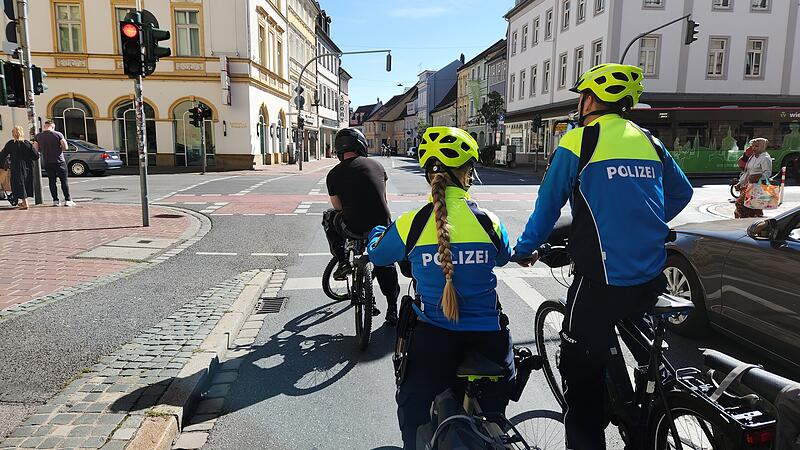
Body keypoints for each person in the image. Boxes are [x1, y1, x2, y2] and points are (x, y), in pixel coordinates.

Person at [512, 63, 693, 449]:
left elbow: (548, 207)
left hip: (600, 283)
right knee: (642, 346)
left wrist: (525, 250)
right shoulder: (649, 140)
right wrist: (643, 221)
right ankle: (652, 408)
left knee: (580, 381)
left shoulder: (580, 141)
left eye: (582, 96)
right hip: (650, 273)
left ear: (591, 99)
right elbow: (682, 193)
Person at [367, 126, 515, 450]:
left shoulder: (413, 223)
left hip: (433, 340)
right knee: (493, 420)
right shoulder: (490, 221)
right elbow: (504, 257)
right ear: (467, 173)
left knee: (412, 409)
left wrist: (377, 231)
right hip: (489, 340)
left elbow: (377, 253)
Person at [325, 127, 400, 324]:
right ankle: (392, 307)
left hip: (352, 227)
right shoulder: (377, 166)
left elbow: (338, 207)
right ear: (361, 146)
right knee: (385, 263)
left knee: (329, 218)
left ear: (339, 150)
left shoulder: (333, 174)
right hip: (381, 226)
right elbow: (383, 199)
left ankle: (342, 261)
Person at [34, 120, 75, 207]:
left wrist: (43, 150)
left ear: (45, 126)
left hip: (47, 162)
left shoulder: (38, 136)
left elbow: (36, 149)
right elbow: (65, 147)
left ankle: (55, 200)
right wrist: (60, 148)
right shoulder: (58, 134)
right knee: (64, 181)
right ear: (52, 127)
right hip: (59, 161)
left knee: (52, 181)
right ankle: (67, 200)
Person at [0, 126, 39, 210]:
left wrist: (3, 165)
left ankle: (25, 203)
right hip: (27, 166)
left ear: (13, 134)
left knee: (18, 184)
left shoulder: (10, 144)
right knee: (25, 183)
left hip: (16, 166)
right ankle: (24, 202)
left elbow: (2, 155)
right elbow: (36, 156)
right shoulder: (27, 144)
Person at [735, 137, 772, 218]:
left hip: (757, 187)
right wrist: (740, 183)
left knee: (740, 204)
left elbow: (767, 173)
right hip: (748, 186)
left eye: (756, 146)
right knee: (753, 208)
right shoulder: (753, 157)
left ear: (762, 146)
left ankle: (746, 223)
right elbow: (747, 172)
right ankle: (755, 225)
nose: (753, 148)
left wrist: (758, 177)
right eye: (753, 146)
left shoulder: (765, 158)